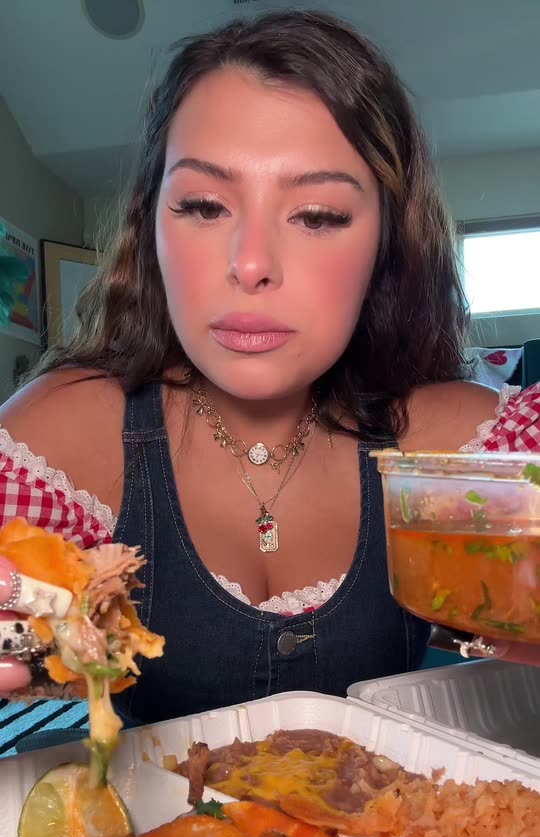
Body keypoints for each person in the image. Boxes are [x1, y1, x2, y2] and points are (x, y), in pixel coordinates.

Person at [1, 11, 539, 714]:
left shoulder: (466, 447)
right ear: (152, 228)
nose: (250, 263)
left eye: (318, 215)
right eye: (203, 206)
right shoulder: (61, 438)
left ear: (385, 244)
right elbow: (30, 654)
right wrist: (28, 647)